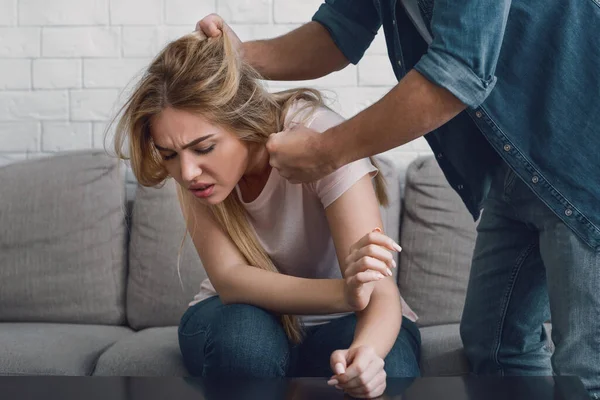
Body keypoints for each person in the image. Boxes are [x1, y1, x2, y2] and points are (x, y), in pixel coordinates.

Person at [196, 1, 600, 398]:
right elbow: (337, 32)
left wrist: (327, 151)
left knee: (586, 371)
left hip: (582, 165)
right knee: (494, 348)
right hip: (513, 171)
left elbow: (459, 68)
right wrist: (240, 56)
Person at [112, 31, 421, 399]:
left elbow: (380, 292)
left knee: (391, 368)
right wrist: (346, 293)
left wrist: (367, 355)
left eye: (204, 148)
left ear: (244, 120)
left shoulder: (320, 140)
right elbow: (231, 280)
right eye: (169, 155)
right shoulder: (192, 166)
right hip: (245, 315)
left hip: (343, 322)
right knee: (245, 346)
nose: (188, 172)